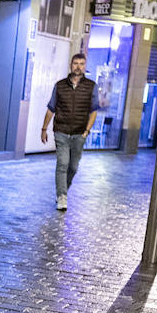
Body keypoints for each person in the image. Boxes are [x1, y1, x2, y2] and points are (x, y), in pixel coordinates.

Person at [40, 53, 97, 211]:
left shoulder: (91, 86)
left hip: (79, 133)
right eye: (75, 63)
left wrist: (86, 131)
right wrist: (44, 129)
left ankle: (63, 190)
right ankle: (62, 196)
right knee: (63, 164)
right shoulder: (60, 86)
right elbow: (51, 109)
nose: (78, 66)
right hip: (62, 131)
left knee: (73, 167)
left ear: (85, 66)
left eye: (81, 64)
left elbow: (93, 111)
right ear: (71, 65)